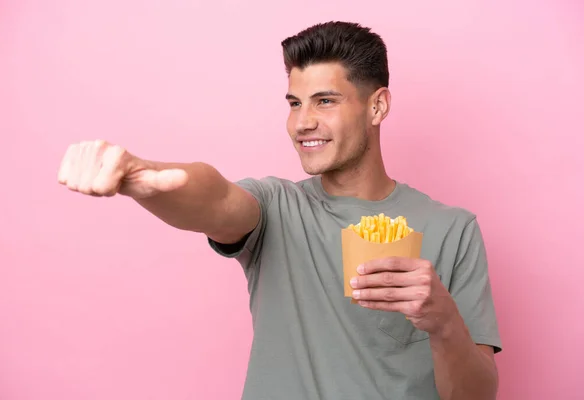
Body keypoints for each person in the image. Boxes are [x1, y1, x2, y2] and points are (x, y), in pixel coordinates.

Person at [58, 21, 502, 400]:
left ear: (377, 105)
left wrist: (443, 321)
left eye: (324, 101)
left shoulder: (453, 229)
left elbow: (476, 394)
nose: (302, 122)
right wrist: (143, 176)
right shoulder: (276, 207)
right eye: (294, 103)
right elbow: (216, 199)